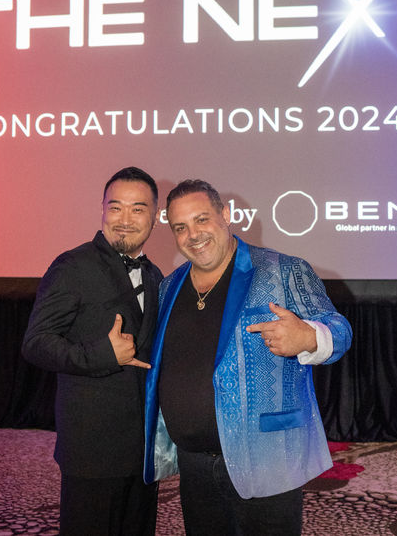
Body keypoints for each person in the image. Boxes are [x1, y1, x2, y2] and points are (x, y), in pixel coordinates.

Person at [143, 179, 352, 535]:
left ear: (225, 215)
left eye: (202, 219)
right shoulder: (169, 285)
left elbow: (340, 329)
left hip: (267, 457)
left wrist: (308, 336)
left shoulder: (283, 270)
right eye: (180, 227)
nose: (193, 234)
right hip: (194, 463)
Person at [22, 166, 162, 536]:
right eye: (116, 207)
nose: (125, 219)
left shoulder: (155, 276)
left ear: (155, 216)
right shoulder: (74, 266)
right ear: (102, 210)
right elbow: (36, 342)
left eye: (138, 209)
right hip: (92, 449)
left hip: (143, 450)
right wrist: (102, 354)